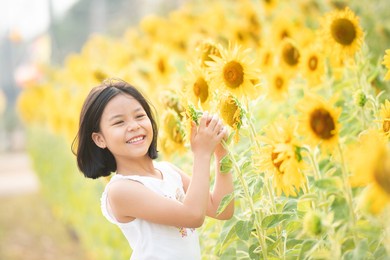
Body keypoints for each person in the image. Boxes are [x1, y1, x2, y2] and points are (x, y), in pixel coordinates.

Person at [72, 79, 234, 260]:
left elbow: (222, 209)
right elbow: (193, 216)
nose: (134, 126)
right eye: (119, 122)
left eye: (140, 116)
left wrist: (221, 151)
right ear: (99, 139)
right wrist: (202, 153)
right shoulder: (120, 190)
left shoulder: (168, 172)